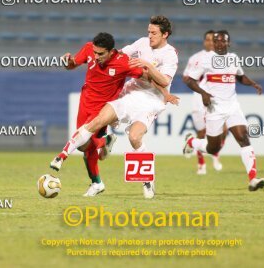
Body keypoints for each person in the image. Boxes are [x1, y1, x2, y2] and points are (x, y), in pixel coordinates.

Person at [50, 15, 178, 199]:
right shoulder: (141, 43)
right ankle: (81, 154)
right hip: (129, 93)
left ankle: (147, 180)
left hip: (151, 99)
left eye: (154, 33)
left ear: (165, 34)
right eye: (148, 31)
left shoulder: (170, 54)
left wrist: (148, 66)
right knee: (97, 123)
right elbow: (120, 55)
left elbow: (164, 80)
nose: (149, 36)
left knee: (134, 137)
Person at [59, 32, 145, 196]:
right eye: (95, 52)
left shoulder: (123, 62)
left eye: (100, 53)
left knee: (85, 144)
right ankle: (98, 176)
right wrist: (67, 61)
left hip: (104, 109)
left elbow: (145, 76)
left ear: (111, 52)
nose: (96, 56)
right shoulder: (88, 48)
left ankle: (97, 182)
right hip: (86, 102)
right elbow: (72, 65)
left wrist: (159, 91)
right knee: (86, 149)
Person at [183, 30, 264, 191]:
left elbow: (240, 77)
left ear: (228, 43)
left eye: (223, 41)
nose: (219, 43)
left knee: (243, 138)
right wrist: (203, 93)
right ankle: (191, 142)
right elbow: (189, 80)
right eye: (216, 41)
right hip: (214, 108)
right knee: (212, 148)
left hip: (233, 106)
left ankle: (253, 179)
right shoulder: (205, 59)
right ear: (213, 43)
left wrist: (253, 84)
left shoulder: (233, 58)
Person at [182, 30, 227, 175]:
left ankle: (215, 155)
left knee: (224, 130)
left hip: (217, 99)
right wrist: (199, 77)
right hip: (199, 99)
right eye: (208, 39)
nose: (211, 42)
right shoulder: (196, 58)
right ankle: (201, 164)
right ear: (204, 42)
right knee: (201, 133)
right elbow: (186, 77)